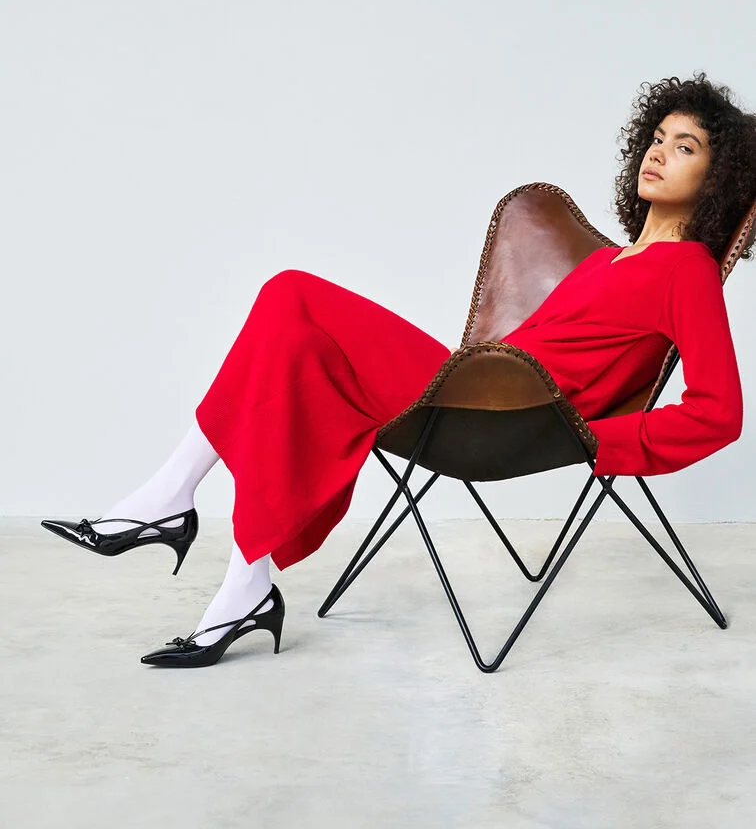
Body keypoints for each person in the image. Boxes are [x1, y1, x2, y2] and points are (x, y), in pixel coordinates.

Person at [41, 72, 756, 669]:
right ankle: (240, 582)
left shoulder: (687, 270)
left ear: (716, 178)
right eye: (658, 137)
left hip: (505, 414)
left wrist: (601, 441)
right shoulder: (607, 262)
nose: (659, 153)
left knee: (291, 293)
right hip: (475, 386)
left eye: (685, 147)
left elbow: (719, 412)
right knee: (295, 349)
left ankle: (171, 503)